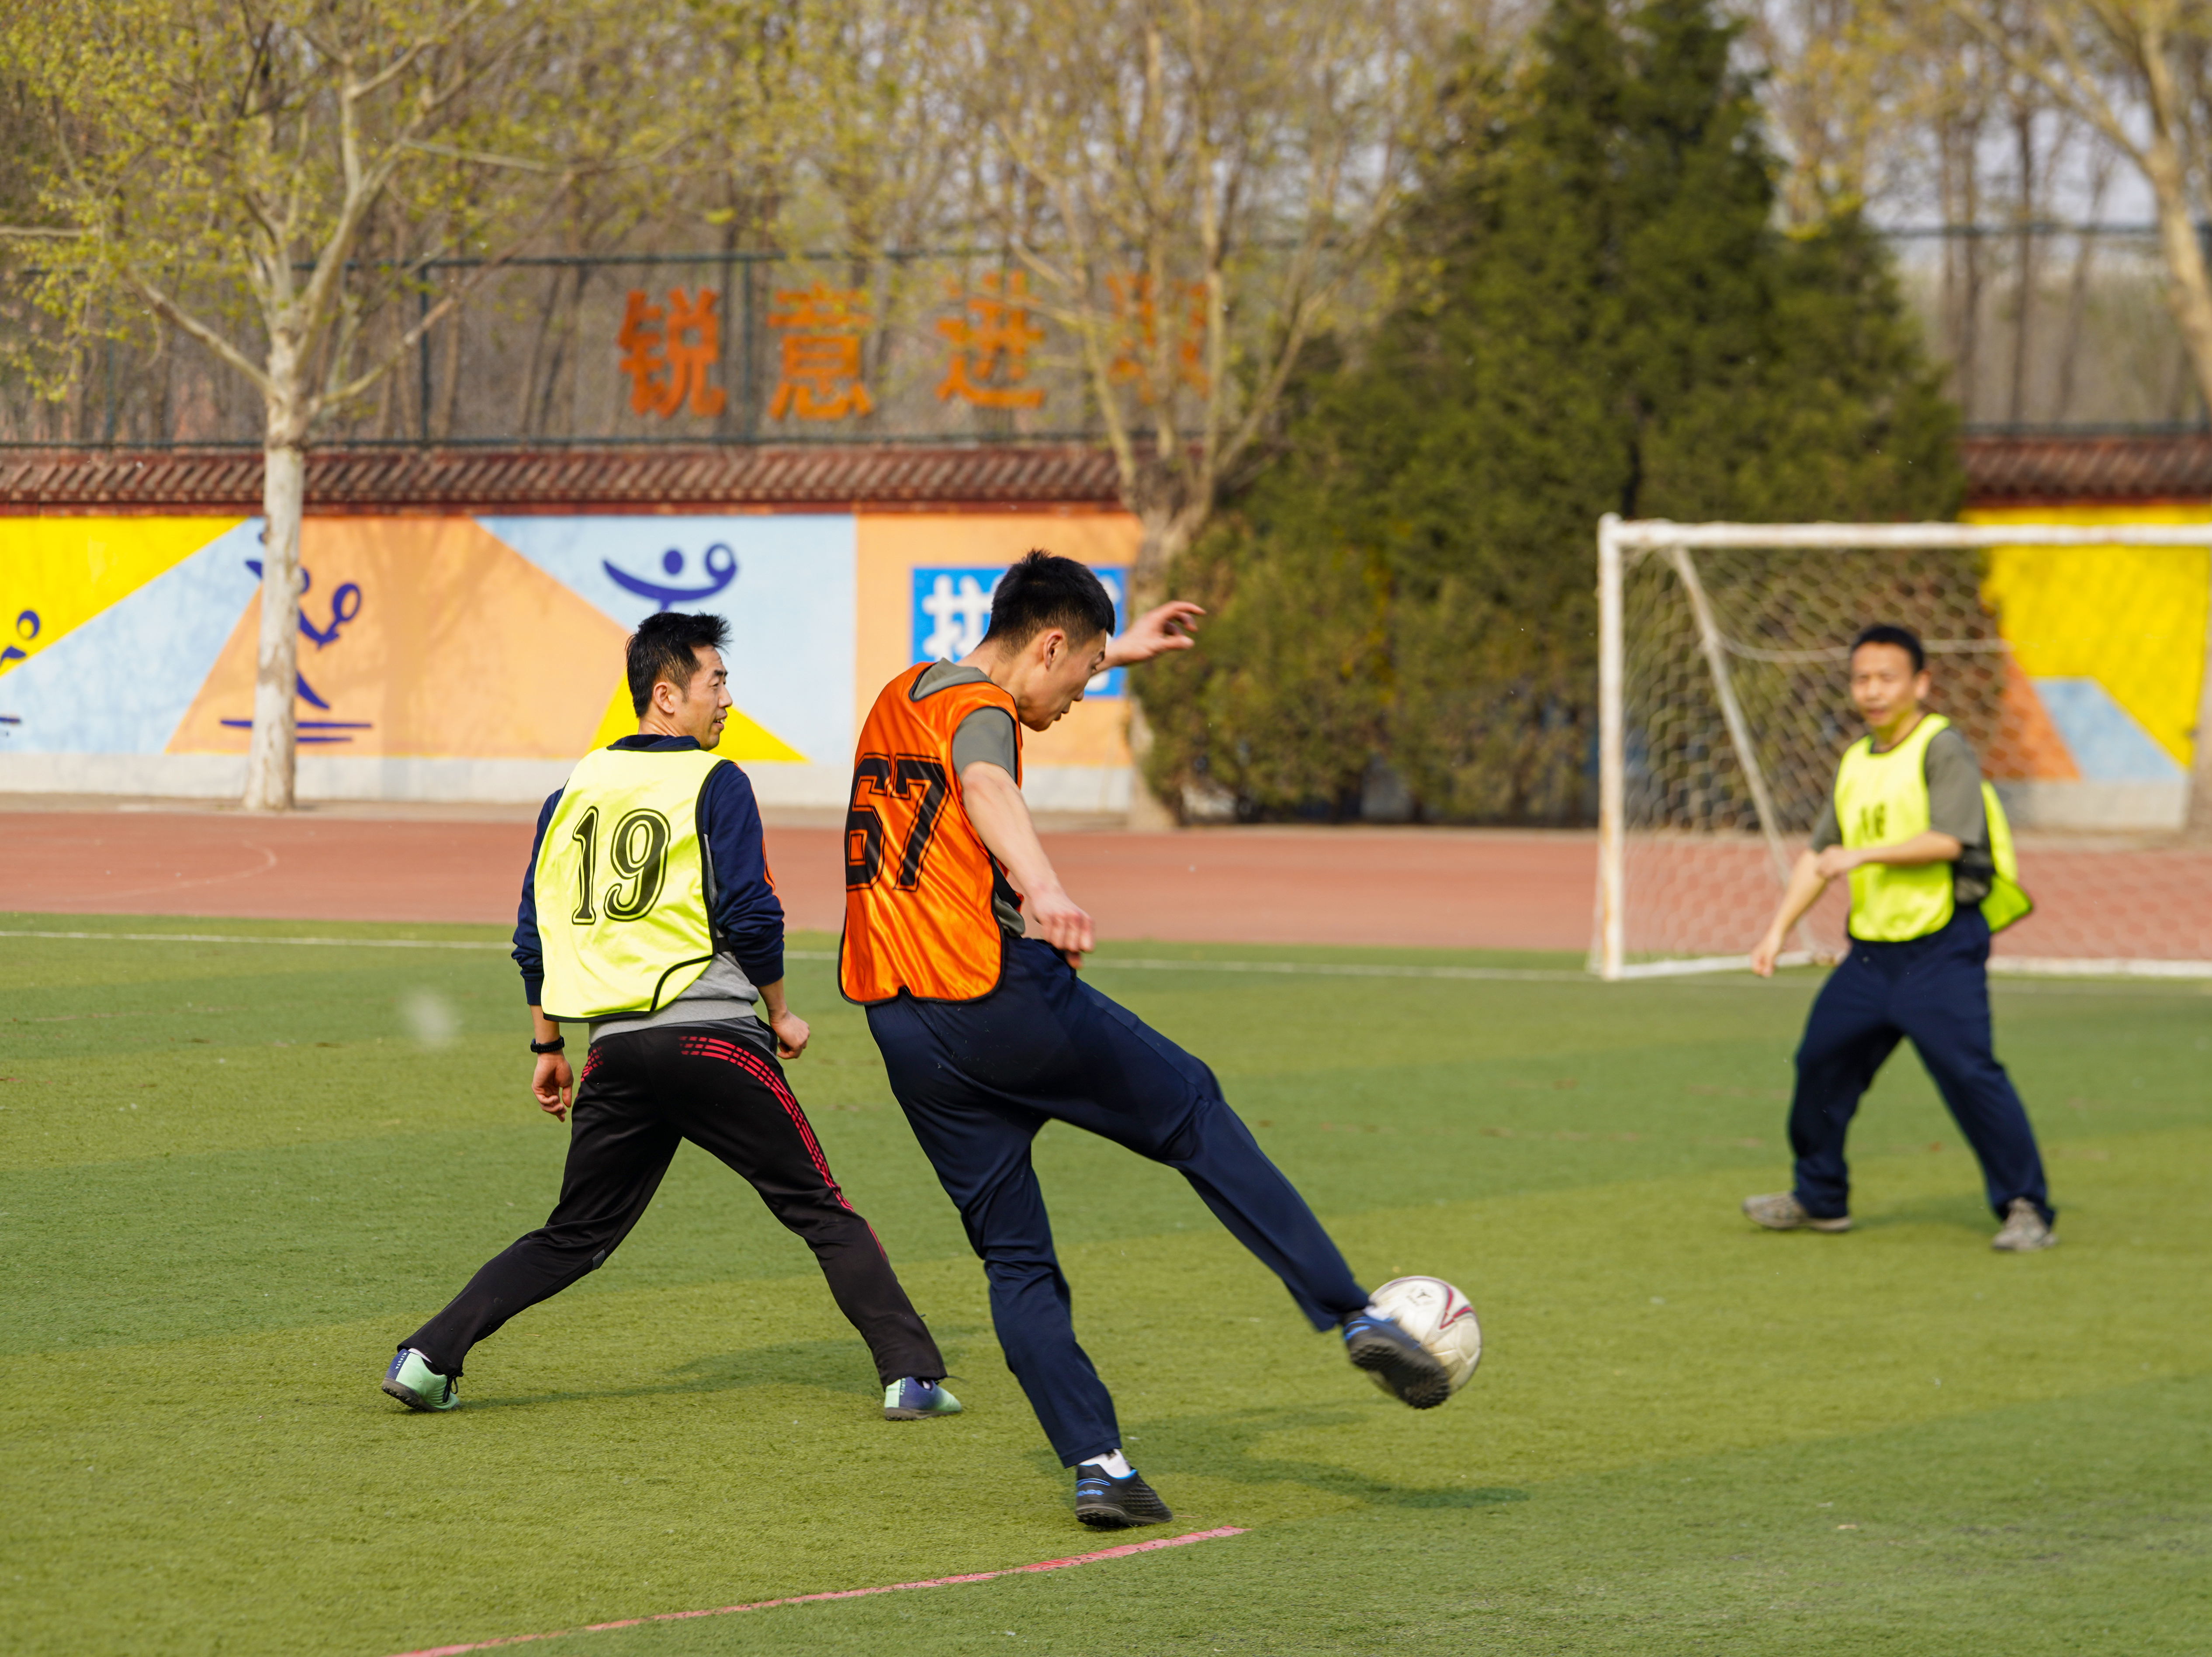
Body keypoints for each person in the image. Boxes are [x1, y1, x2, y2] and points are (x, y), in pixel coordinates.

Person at [840, 550, 1458, 1531]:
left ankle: (1101, 1466)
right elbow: (990, 787)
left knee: (1016, 1258)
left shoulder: (906, 691)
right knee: (1194, 1108)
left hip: (900, 1022)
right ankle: (1352, 1312)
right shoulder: (987, 715)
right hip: (995, 994)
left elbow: (1005, 696)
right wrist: (1042, 887)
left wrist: (1120, 648)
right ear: (1049, 645)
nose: (1083, 694)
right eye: (1083, 672)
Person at [381, 612, 956, 1419]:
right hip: (713, 1037)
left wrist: (546, 1043)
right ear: (666, 695)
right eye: (715, 682)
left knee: (575, 1234)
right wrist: (781, 1011)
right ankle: (913, 1376)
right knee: (820, 1209)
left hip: (614, 1051)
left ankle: (426, 1357)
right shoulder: (714, 781)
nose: (727, 699)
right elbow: (752, 912)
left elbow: (533, 936)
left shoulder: (568, 795)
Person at [1745, 623, 2054, 1252]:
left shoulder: (1943, 749)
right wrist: (1776, 929)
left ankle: (2026, 1206)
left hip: (1940, 949)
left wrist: (1862, 856)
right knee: (1820, 1064)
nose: (1872, 690)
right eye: (1862, 678)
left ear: (1920, 683)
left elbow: (1949, 838)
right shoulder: (1856, 760)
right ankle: (1821, 1196)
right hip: (1871, 956)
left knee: (1970, 1075)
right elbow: (1819, 854)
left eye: (1887, 677)